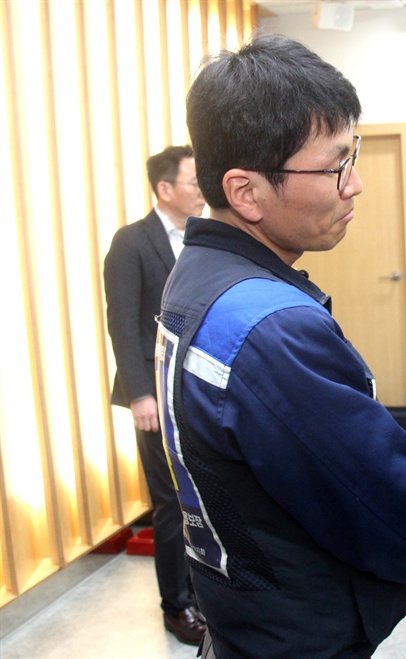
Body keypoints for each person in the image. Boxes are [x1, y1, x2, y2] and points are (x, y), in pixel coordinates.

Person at [154, 33, 406, 658]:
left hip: (241, 610)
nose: (356, 185)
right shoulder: (269, 328)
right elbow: (372, 496)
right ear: (245, 192)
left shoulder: (195, 277)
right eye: (334, 166)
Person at [103, 145, 207, 645]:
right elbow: (122, 323)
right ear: (166, 189)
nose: (203, 191)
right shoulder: (132, 242)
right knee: (169, 502)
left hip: (194, 389)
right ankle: (177, 605)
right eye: (194, 183)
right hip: (154, 397)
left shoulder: (201, 238)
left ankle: (204, 590)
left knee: (201, 495)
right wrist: (140, 395)